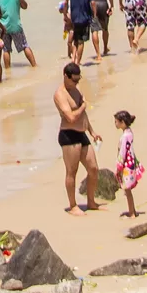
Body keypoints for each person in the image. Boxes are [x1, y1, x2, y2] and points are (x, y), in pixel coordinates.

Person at [53, 62, 101, 214]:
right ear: (65, 77)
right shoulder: (60, 95)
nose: (76, 83)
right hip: (69, 135)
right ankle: (73, 205)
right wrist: (82, 107)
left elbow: (83, 115)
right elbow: (71, 117)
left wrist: (92, 132)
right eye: (73, 80)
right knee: (71, 171)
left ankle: (91, 202)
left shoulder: (76, 89)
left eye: (78, 80)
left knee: (93, 168)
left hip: (82, 133)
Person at [113, 110, 144, 218]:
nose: (115, 124)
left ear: (122, 122)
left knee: (127, 190)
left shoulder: (125, 136)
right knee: (127, 190)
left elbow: (123, 152)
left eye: (116, 121)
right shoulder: (129, 133)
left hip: (127, 165)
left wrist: (119, 166)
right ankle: (132, 211)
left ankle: (131, 213)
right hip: (130, 163)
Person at [65, 0, 96, 64]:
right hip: (85, 17)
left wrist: (65, 14)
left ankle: (73, 59)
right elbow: (92, 2)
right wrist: (94, 14)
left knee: (75, 39)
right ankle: (78, 62)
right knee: (81, 41)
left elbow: (66, 2)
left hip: (74, 17)